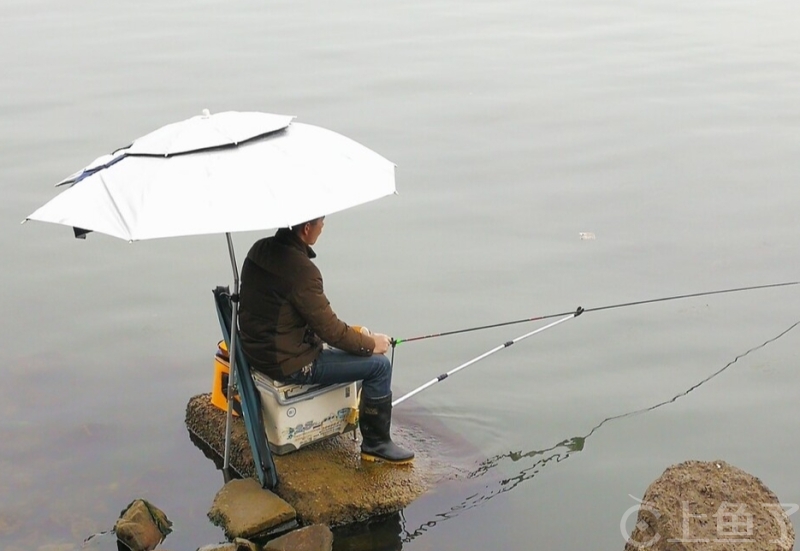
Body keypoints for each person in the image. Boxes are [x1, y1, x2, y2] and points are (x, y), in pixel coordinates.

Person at [238, 216, 414, 464]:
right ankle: (376, 444)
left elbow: (286, 314)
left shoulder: (259, 249)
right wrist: (372, 343)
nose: (323, 227)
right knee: (379, 367)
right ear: (307, 228)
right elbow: (331, 331)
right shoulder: (303, 271)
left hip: (255, 351)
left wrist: (354, 336)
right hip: (289, 363)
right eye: (321, 222)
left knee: (351, 343)